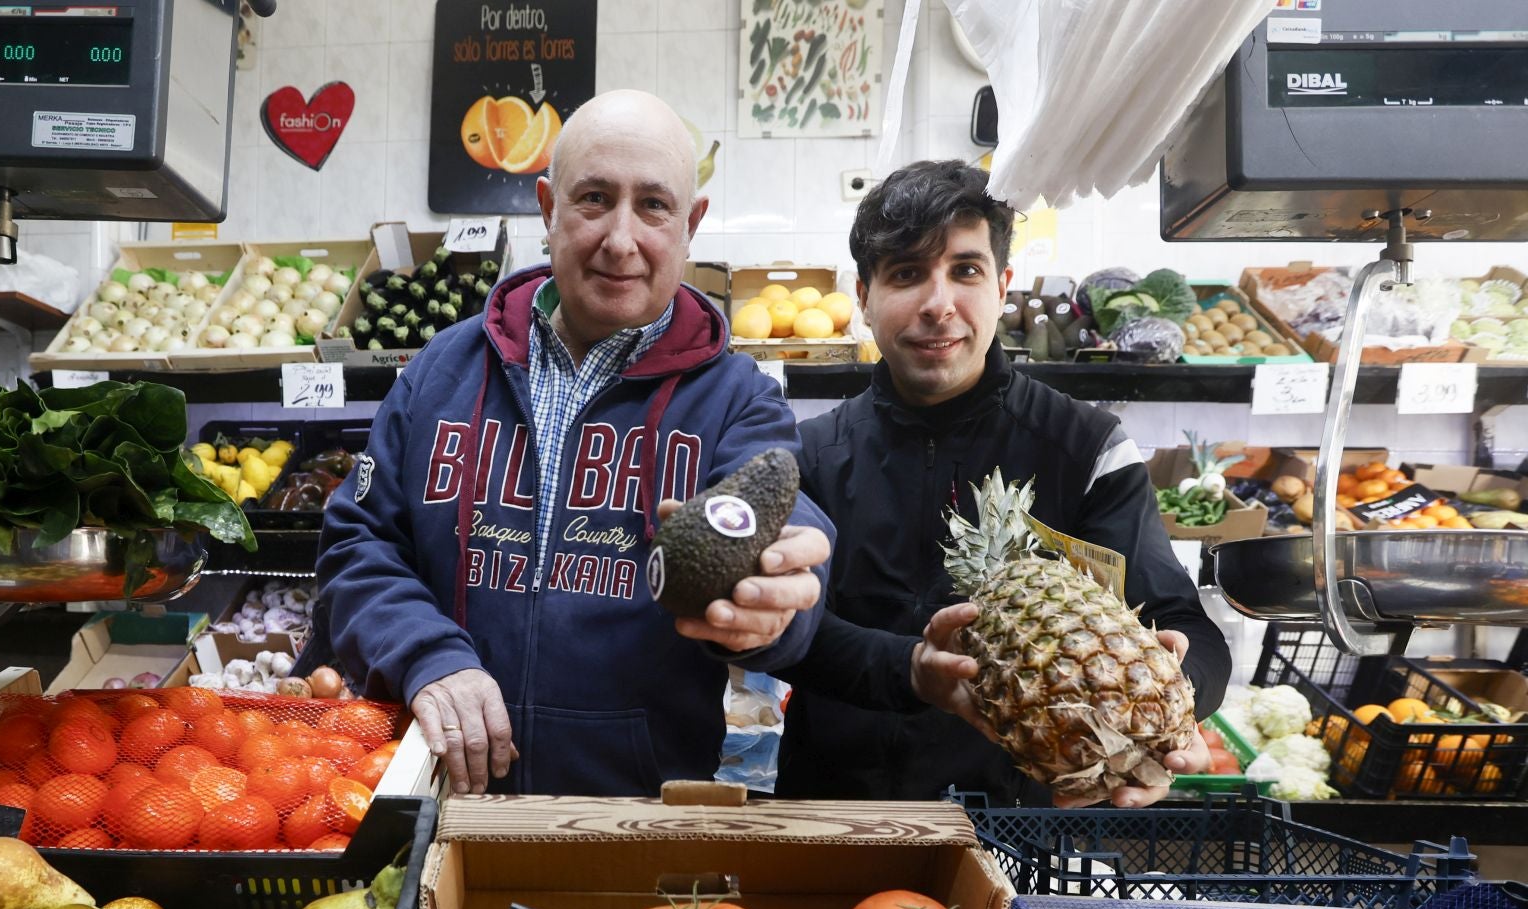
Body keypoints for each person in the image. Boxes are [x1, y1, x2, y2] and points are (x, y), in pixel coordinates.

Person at [313, 90, 834, 796]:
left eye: (653, 205)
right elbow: (357, 543)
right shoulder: (444, 368)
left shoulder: (736, 398)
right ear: (548, 208)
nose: (621, 239)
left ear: (691, 225)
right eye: (594, 198)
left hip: (630, 821)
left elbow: (778, 524)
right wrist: (428, 655)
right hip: (440, 793)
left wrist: (775, 601)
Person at [777, 160, 1228, 808]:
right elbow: (788, 636)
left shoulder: (1086, 447)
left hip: (1020, 832)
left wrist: (1167, 702)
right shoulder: (812, 455)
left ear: (1002, 286)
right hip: (837, 819)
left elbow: (1189, 627)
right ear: (865, 297)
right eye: (906, 273)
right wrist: (910, 671)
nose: (938, 305)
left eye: (965, 270)